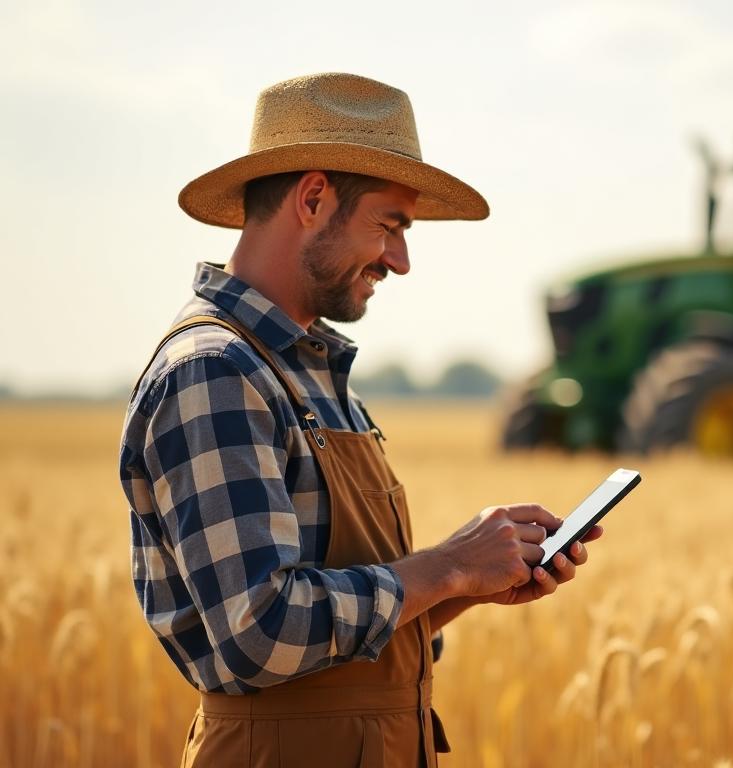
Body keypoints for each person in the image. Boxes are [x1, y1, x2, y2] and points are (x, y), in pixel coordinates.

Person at [118, 72, 600, 768]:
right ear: (313, 200)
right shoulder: (216, 371)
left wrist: (466, 585)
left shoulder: (310, 373)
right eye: (391, 225)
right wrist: (446, 566)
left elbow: (337, 648)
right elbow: (260, 632)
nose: (400, 261)